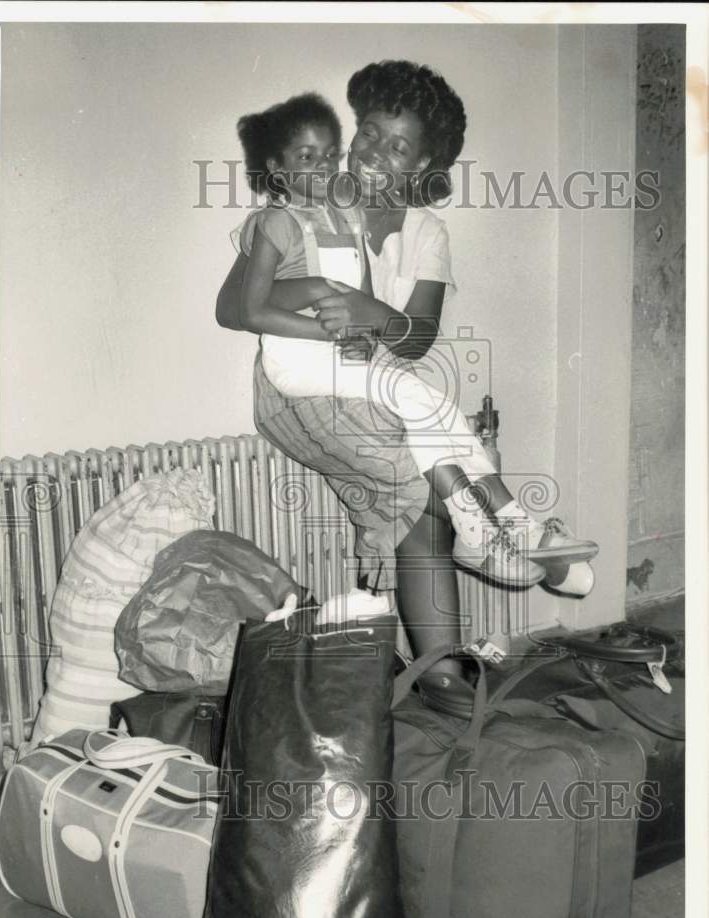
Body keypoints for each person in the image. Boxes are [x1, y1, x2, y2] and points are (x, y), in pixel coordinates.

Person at [218, 61, 596, 672]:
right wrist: (316, 292)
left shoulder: (426, 233)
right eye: (368, 132)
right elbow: (236, 308)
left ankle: (445, 670)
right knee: (422, 488)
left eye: (398, 147)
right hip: (302, 390)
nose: (373, 153)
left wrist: (368, 310)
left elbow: (415, 338)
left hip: (376, 382)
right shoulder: (309, 199)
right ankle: (515, 547)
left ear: (421, 164)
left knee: (426, 467)